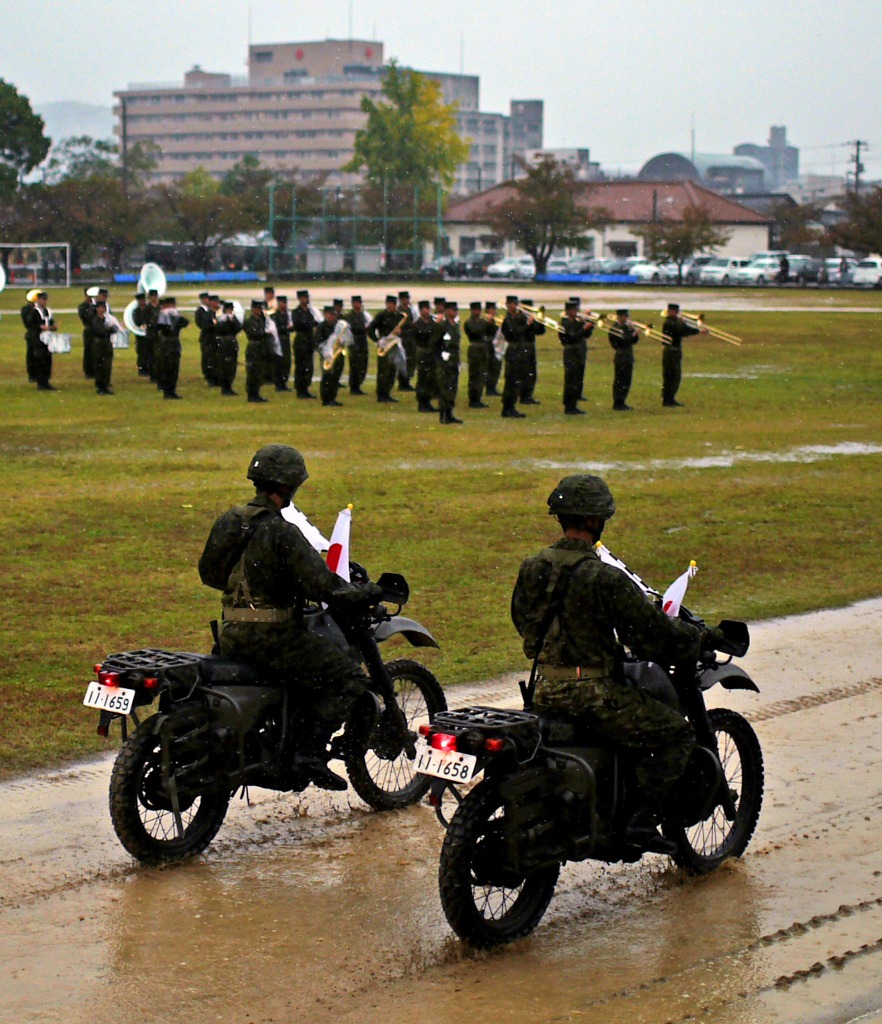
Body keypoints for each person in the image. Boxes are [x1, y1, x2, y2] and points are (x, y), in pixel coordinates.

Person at [511, 474, 723, 851]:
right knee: (677, 735)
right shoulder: (603, 577)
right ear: (595, 521)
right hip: (597, 697)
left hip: (543, 690)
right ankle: (639, 823)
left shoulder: (533, 566)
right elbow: (651, 635)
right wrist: (699, 638)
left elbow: (522, 621)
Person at [198, 444, 381, 790]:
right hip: (276, 638)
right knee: (347, 679)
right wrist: (368, 592)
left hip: (232, 633)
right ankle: (308, 754)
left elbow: (209, 573)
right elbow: (325, 588)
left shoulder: (230, 521)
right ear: (291, 486)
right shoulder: (282, 532)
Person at [661, 302, 706, 407]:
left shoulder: (676, 322)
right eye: (674, 312)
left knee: (676, 375)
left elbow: (684, 330)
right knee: (670, 375)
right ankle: (667, 399)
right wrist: (696, 330)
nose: (676, 313)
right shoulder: (668, 322)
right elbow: (681, 331)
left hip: (676, 351)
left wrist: (698, 330)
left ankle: (671, 398)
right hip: (670, 351)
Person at [368, 295, 405, 404]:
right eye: (388, 304)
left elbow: (406, 330)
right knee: (383, 371)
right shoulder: (381, 316)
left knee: (392, 371)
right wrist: (377, 340)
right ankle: (381, 394)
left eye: (392, 304)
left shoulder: (399, 316)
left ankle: (388, 393)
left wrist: (401, 332)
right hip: (384, 345)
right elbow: (370, 328)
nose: (390, 306)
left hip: (394, 346)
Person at [558, 301, 592, 415]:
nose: (576, 312)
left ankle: (573, 404)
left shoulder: (575, 322)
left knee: (577, 379)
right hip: (571, 352)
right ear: (568, 311)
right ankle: (569, 406)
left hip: (579, 352)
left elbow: (585, 335)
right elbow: (572, 336)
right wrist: (583, 327)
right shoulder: (565, 323)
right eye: (574, 310)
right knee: (571, 379)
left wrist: (589, 326)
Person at [500, 295, 531, 418]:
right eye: (513, 303)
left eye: (516, 303)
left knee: (518, 380)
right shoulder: (507, 320)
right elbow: (514, 333)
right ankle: (507, 408)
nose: (515, 306)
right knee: (511, 381)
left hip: (520, 350)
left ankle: (511, 406)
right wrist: (527, 324)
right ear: (508, 305)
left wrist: (529, 320)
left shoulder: (519, 318)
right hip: (513, 351)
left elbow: (536, 330)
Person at [432, 299, 463, 424]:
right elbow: (434, 343)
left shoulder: (455, 326)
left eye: (456, 310)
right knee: (444, 388)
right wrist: (440, 358)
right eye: (452, 310)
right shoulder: (442, 326)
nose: (455, 312)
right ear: (447, 311)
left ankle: (450, 413)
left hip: (454, 360)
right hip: (444, 362)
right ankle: (443, 415)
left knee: (452, 388)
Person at [23, 291, 57, 391]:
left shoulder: (48, 311)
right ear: (38, 300)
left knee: (47, 359)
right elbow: (30, 325)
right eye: (42, 299)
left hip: (47, 338)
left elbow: (50, 322)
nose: (44, 301)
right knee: (39, 360)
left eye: (45, 299)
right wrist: (40, 327)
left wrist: (53, 327)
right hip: (37, 338)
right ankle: (40, 382)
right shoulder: (34, 311)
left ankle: (46, 381)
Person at [155, 296, 188, 399]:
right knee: (167, 367)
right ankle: (167, 391)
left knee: (174, 368)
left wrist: (175, 317)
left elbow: (185, 322)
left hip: (173, 343)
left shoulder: (174, 315)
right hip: (167, 343)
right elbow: (161, 327)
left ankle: (172, 391)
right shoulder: (162, 315)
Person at [243, 299, 273, 403]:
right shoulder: (249, 321)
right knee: (252, 371)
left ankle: (256, 393)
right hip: (253, 348)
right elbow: (253, 334)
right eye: (257, 309)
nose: (259, 311)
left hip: (261, 348)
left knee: (260, 372)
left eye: (260, 309)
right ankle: (251, 394)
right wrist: (266, 334)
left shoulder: (261, 320)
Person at [315, 305, 346, 407]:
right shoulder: (321, 327)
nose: (333, 317)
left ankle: (333, 398)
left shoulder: (337, 326)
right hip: (327, 356)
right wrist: (325, 351)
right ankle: (326, 399)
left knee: (335, 377)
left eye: (334, 315)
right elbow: (316, 343)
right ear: (325, 315)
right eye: (330, 315)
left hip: (337, 354)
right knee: (327, 377)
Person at [609, 308, 640, 411]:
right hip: (620, 356)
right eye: (624, 316)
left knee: (627, 380)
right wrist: (632, 333)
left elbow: (633, 341)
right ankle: (618, 402)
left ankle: (622, 402)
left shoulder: (626, 327)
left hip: (628, 356)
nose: (626, 318)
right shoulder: (615, 328)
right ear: (619, 316)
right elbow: (622, 341)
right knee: (620, 380)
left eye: (627, 316)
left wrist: (634, 333)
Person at [291, 289, 319, 398]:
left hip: (309, 341)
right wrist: (310, 323)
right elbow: (299, 324)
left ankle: (305, 387)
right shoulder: (296, 312)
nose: (305, 300)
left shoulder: (309, 311)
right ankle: (300, 389)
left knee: (308, 366)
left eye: (306, 298)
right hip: (301, 341)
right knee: (301, 366)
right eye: (303, 298)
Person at [518, 296, 545, 405]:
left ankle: (528, 395)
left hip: (531, 346)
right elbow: (518, 332)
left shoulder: (531, 318)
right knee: (524, 372)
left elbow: (540, 331)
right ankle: (523, 396)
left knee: (532, 372)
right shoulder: (519, 318)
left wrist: (540, 321)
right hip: (522, 346)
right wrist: (527, 323)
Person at [463, 300, 489, 408]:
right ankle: (473, 399)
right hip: (475, 349)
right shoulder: (469, 322)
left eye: (479, 310)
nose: (478, 312)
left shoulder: (483, 321)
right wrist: (487, 323)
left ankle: (478, 397)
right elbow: (476, 331)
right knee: (475, 375)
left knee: (481, 375)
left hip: (483, 349)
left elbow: (490, 332)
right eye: (476, 310)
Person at [413, 300, 438, 413]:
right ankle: (422, 403)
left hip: (432, 352)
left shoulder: (433, 322)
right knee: (423, 378)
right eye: (425, 309)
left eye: (428, 309)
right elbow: (423, 334)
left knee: (431, 378)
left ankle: (427, 401)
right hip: (423, 352)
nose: (428, 311)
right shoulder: (417, 324)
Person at [344, 295, 370, 395]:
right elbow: (354, 329)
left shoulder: (363, 315)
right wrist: (364, 328)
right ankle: (354, 386)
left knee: (363, 365)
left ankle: (358, 384)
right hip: (354, 343)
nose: (357, 305)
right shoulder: (350, 316)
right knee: (355, 366)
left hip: (363, 342)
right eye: (355, 303)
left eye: (358, 303)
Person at [91, 299, 118, 395]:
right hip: (99, 345)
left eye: (104, 308)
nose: (102, 310)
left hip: (107, 344)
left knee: (107, 366)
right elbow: (100, 331)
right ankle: (100, 386)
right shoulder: (95, 320)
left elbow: (115, 329)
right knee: (100, 366)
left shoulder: (107, 319)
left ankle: (106, 385)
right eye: (100, 308)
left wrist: (109, 329)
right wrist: (109, 329)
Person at [215, 301, 242, 395]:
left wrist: (232, 320)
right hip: (224, 343)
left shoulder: (233, 318)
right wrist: (226, 320)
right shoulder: (221, 318)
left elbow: (239, 327)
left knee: (232, 366)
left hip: (232, 342)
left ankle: (229, 386)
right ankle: (225, 387)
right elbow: (218, 329)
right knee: (225, 366)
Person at [271, 295, 293, 391]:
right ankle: (278, 383)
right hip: (279, 340)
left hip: (286, 340)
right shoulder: (275, 316)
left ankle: (284, 383)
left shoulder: (288, 315)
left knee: (286, 362)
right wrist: (286, 328)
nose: (284, 305)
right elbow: (275, 329)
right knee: (278, 362)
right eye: (282, 303)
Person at [195, 292, 218, 386]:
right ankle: (208, 376)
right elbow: (201, 323)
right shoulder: (202, 311)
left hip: (215, 337)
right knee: (208, 357)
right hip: (207, 338)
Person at [396, 290, 416, 392]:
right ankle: (402, 382)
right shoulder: (398, 311)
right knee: (403, 360)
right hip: (402, 338)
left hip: (410, 338)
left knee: (411, 360)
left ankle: (407, 380)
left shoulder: (410, 310)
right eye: (404, 299)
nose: (406, 301)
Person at [77, 286, 98, 379]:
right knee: (88, 351)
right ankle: (88, 371)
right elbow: (87, 318)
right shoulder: (82, 306)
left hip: (98, 330)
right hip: (89, 330)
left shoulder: (98, 305)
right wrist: (92, 307)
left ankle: (97, 370)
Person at [484, 301, 503, 396]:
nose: (495, 311)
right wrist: (489, 323)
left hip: (497, 345)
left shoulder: (496, 319)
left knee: (497, 367)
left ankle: (493, 387)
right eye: (493, 309)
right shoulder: (484, 319)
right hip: (488, 345)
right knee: (490, 367)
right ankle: (489, 388)